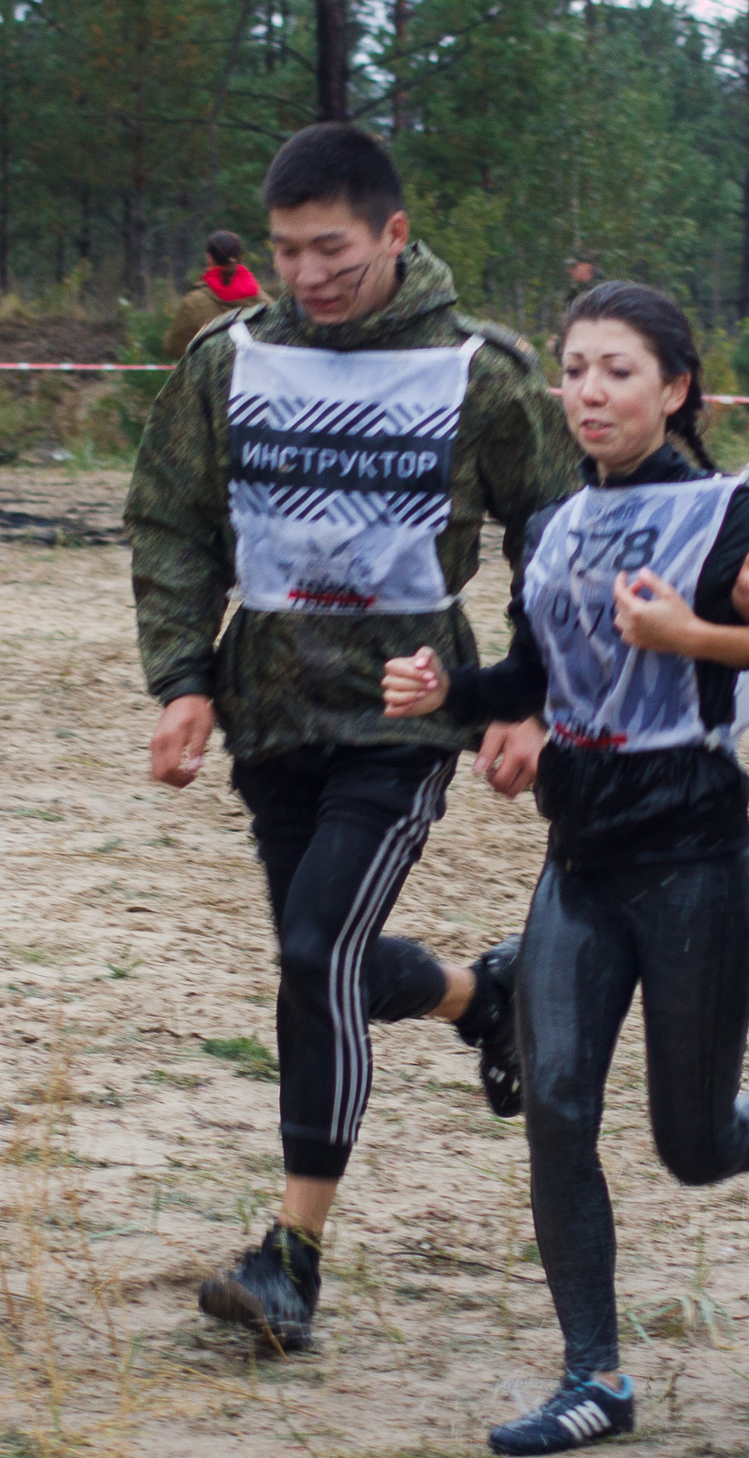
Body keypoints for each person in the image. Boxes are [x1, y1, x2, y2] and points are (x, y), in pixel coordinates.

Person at [381, 282, 749, 1457]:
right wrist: (452, 695)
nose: (590, 392)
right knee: (554, 1106)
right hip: (580, 862)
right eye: (575, 369)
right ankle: (591, 1376)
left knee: (693, 1147)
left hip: (695, 861)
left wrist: (710, 633)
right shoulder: (554, 525)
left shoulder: (723, 514)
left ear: (675, 389)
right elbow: (533, 680)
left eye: (617, 371)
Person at [126, 123, 576, 1355]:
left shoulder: (478, 370)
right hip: (270, 718)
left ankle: (292, 1257)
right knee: (316, 954)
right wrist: (183, 679)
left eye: (331, 249)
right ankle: (486, 1000)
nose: (307, 276)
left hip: (402, 719)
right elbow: (170, 520)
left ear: (391, 232)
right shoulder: (232, 357)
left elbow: (560, 531)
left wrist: (530, 695)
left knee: (315, 949)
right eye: (284, 252)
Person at [163, 230, 268, 354]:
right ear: (241, 257)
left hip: (212, 371)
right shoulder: (264, 300)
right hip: (254, 372)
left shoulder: (194, 302)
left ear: (209, 258)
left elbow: (173, 346)